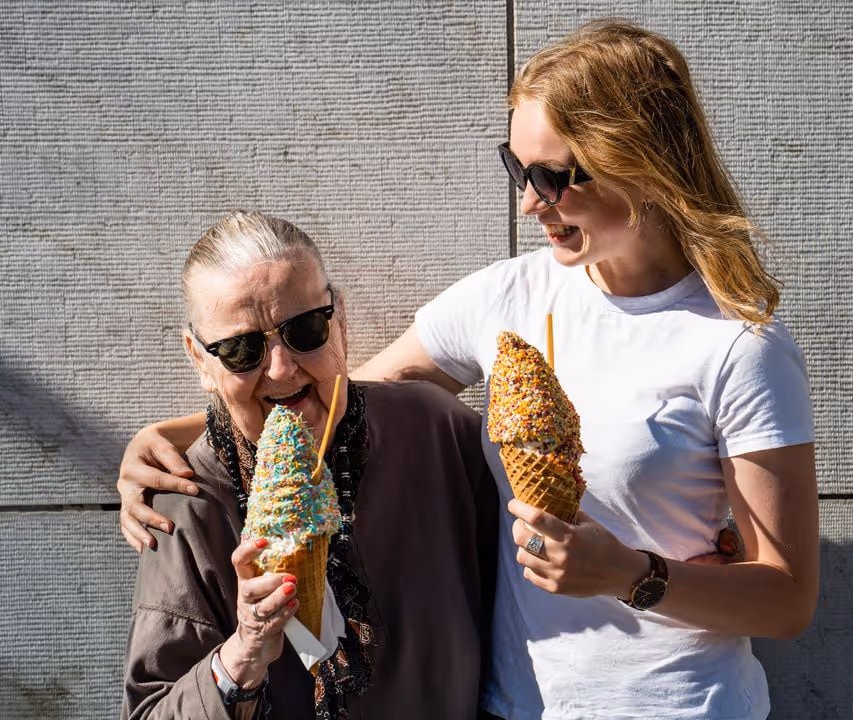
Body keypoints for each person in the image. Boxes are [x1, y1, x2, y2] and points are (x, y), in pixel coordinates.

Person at [119, 20, 817, 720]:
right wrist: (179, 433)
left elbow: (786, 601)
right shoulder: (509, 296)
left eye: (553, 176)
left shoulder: (738, 344)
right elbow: (339, 392)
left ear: (640, 161)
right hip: (514, 708)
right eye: (516, 170)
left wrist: (630, 575)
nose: (528, 202)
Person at [121, 210, 497, 720]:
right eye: (240, 349)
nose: (280, 368)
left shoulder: (435, 431)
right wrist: (242, 656)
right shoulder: (185, 501)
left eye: (305, 329)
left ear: (339, 319)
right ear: (200, 360)